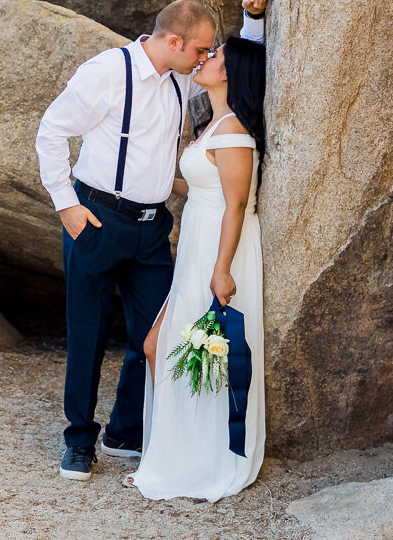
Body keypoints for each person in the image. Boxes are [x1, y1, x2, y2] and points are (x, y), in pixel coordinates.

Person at [35, 0, 267, 481]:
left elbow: (240, 73)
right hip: (95, 220)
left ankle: (126, 430)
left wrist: (253, 23)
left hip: (150, 229)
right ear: (175, 41)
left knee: (156, 336)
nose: (206, 57)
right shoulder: (107, 72)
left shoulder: (185, 80)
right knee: (88, 333)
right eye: (202, 49)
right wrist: (66, 207)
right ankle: (79, 440)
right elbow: (52, 131)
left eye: (209, 53)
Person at [124, 30, 267, 500]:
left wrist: (222, 269)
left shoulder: (235, 132)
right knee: (161, 347)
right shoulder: (215, 122)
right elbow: (202, 186)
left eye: (216, 54)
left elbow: (236, 203)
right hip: (196, 251)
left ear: (231, 72)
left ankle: (199, 461)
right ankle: (175, 454)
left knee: (182, 351)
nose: (205, 58)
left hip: (216, 252)